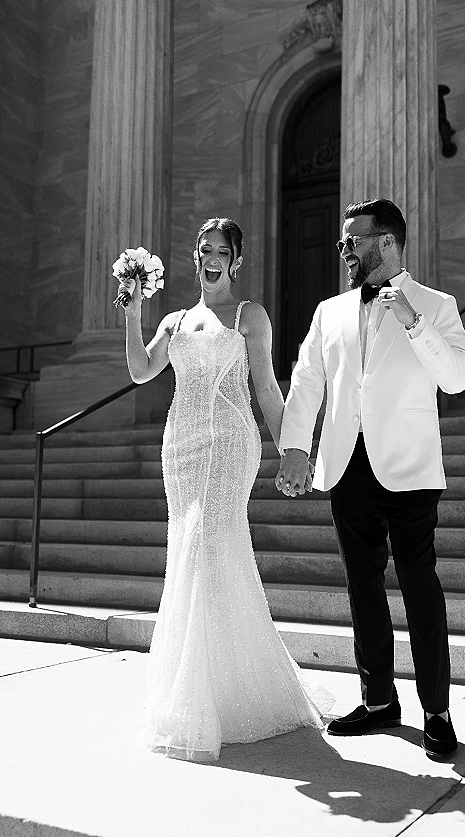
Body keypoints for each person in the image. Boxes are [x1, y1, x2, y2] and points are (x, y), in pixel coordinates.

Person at [275, 198, 465, 759]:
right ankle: (379, 699)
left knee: (420, 590)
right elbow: (308, 379)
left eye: (352, 242)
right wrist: (294, 447)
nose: (343, 252)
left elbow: (458, 378)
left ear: (385, 242)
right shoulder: (328, 311)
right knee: (362, 588)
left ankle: (436, 712)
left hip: (410, 468)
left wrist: (412, 323)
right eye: (343, 243)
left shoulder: (436, 306)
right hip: (346, 466)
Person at [122, 217, 323, 762]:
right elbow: (142, 371)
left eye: (222, 251)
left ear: (236, 260)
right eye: (204, 249)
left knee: (211, 547)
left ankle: (217, 696)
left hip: (231, 444)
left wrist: (292, 452)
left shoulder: (249, 315)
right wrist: (134, 310)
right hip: (181, 446)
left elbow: (266, 386)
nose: (212, 258)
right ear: (196, 256)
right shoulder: (176, 319)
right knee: (188, 555)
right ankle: (202, 691)